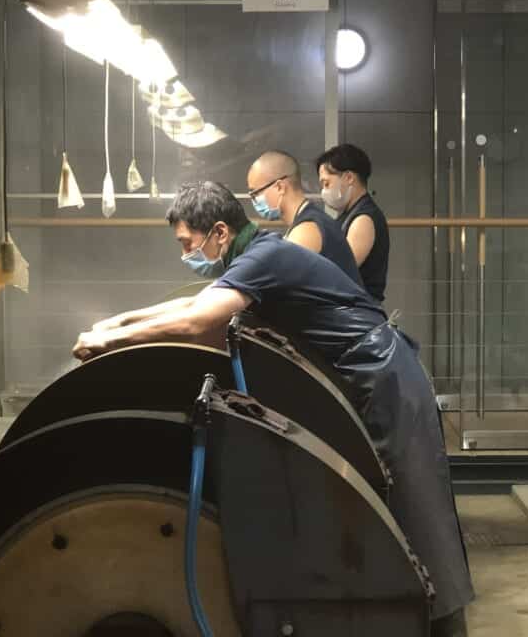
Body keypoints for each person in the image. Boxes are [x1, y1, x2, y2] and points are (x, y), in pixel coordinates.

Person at [73, 181, 473, 635]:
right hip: (368, 372)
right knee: (394, 502)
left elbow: (198, 319)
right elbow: (193, 302)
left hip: (383, 374)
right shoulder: (255, 255)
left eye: (188, 243)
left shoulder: (264, 257)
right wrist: (118, 321)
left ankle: (441, 626)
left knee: (414, 504)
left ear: (219, 232)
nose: (186, 253)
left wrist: (110, 340)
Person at [246, 150, 363, 287]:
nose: (254, 200)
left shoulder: (307, 229)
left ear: (279, 187)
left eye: (255, 193)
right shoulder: (307, 221)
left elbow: (275, 281)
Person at [315, 144, 390, 303]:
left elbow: (341, 270)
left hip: (359, 315)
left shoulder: (363, 219)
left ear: (349, 178)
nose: (324, 191)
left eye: (326, 183)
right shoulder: (349, 214)